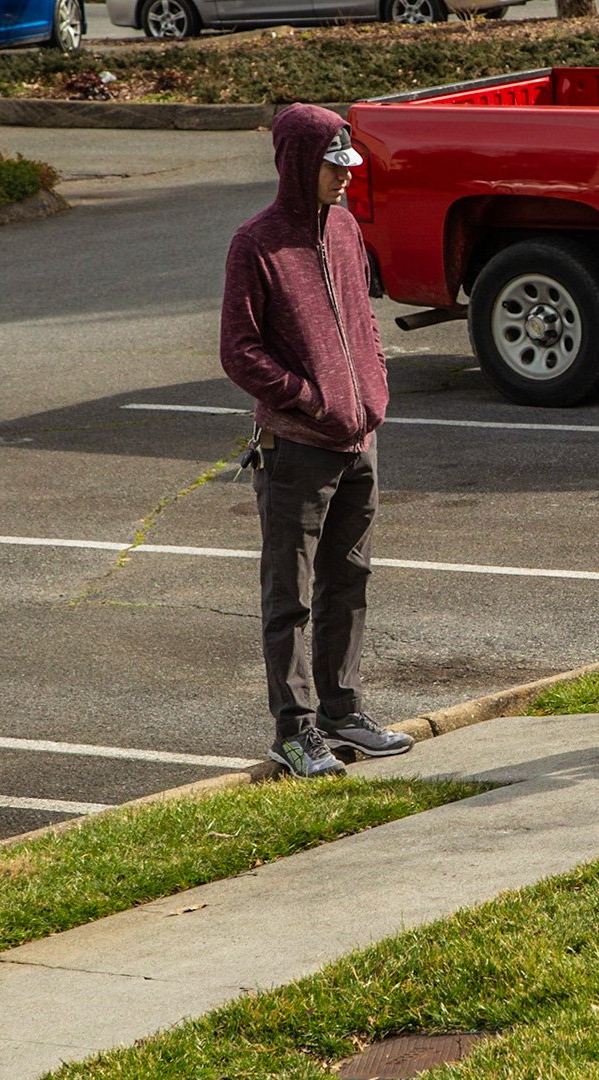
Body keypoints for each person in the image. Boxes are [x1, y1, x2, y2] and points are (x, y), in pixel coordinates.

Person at [220, 103, 414, 778]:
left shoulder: (346, 232)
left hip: (361, 441)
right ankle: (294, 730)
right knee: (290, 596)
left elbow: (363, 322)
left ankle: (342, 712)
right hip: (297, 449)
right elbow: (239, 352)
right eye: (334, 167)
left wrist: (372, 395)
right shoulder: (257, 244)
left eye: (348, 164)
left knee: (349, 582)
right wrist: (311, 401)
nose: (346, 179)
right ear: (301, 164)